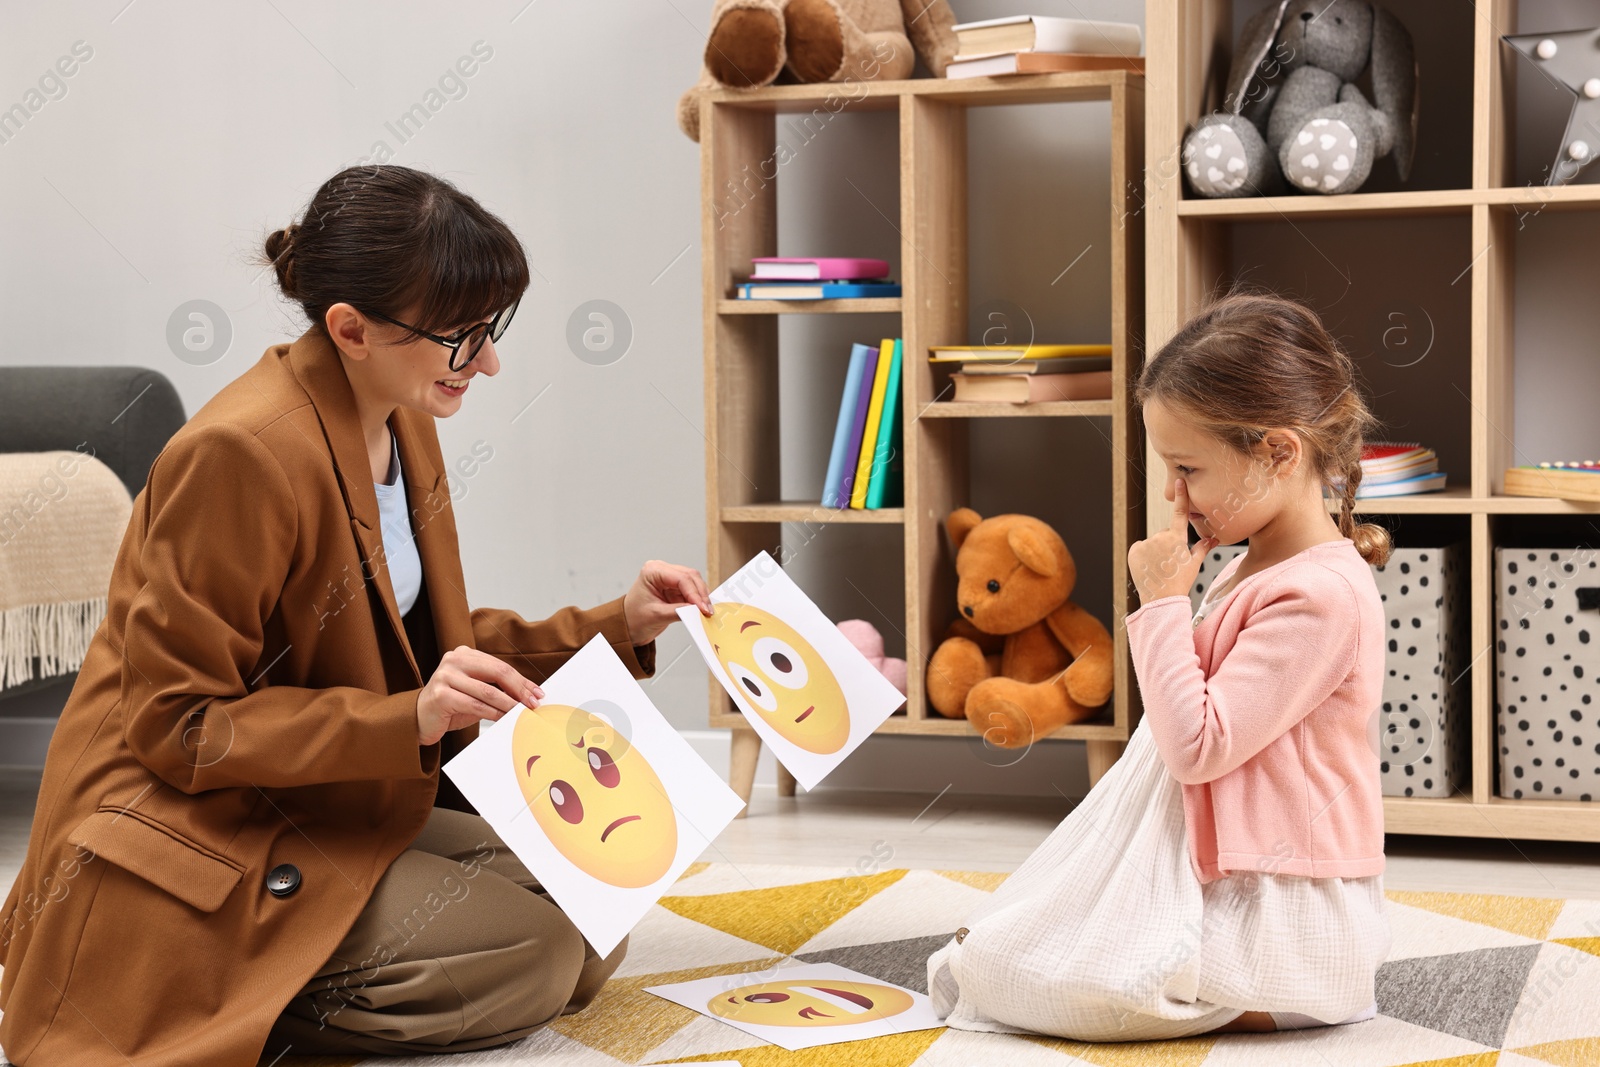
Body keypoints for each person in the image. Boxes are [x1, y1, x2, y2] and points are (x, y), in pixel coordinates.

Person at [0, 164, 713, 1066]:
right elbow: (178, 728)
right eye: (460, 337)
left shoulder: (401, 413)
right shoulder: (239, 454)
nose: (487, 361)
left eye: (491, 329)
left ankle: (281, 970)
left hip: (306, 789)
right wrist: (405, 717)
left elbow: (430, 648)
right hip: (185, 819)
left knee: (593, 912)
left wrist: (624, 620)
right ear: (351, 328)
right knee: (534, 955)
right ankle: (202, 994)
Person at [927, 291, 1394, 1041]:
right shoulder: (1255, 562)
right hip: (1225, 866)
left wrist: (1163, 604)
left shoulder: (1321, 595)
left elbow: (1199, 745)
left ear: (1279, 452)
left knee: (1039, 984)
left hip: (1277, 895)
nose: (1173, 495)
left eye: (1187, 469)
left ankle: (1293, 985)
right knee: (997, 956)